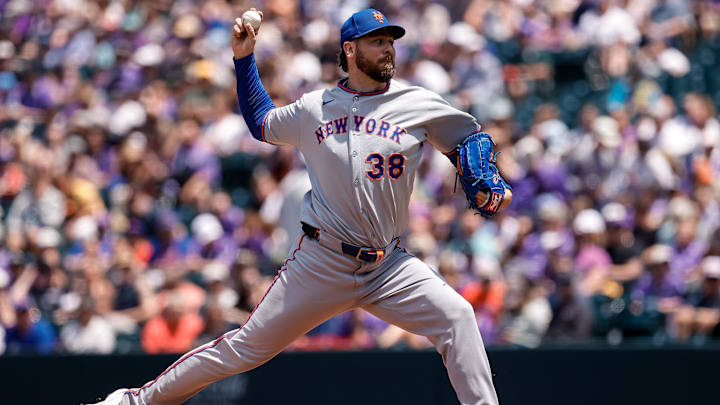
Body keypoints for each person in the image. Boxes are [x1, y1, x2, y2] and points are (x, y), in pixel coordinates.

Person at [91, 8, 511, 405]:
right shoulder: (314, 107)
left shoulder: (417, 102)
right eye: (377, 41)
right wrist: (243, 59)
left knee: (458, 316)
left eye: (390, 41)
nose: (388, 49)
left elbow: (467, 139)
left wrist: (488, 178)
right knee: (243, 348)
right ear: (350, 49)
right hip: (322, 261)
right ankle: (138, 399)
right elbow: (261, 122)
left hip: (387, 265)